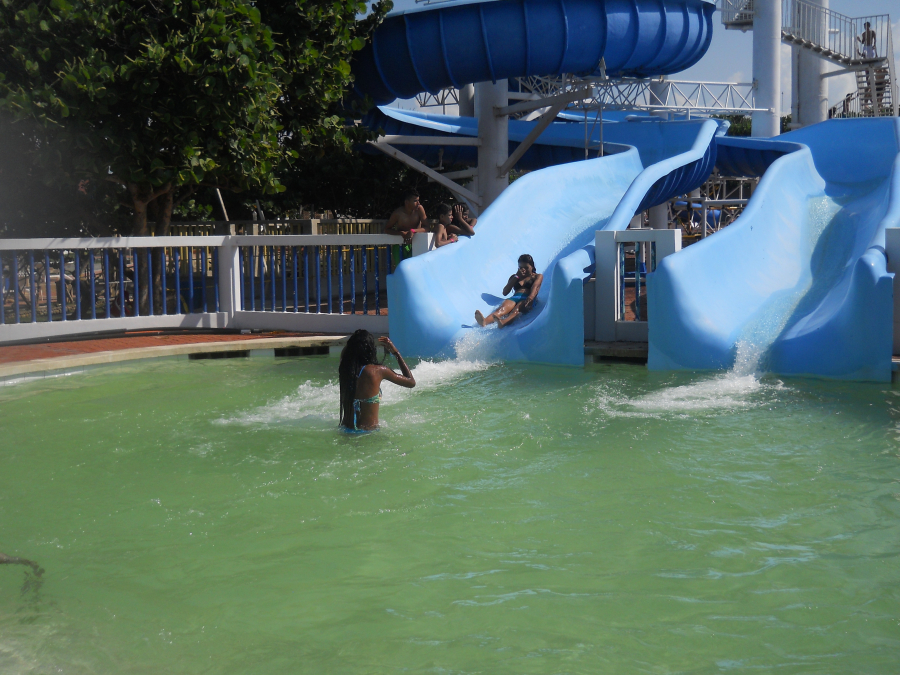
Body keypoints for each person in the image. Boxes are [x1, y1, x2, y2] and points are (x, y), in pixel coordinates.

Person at [339, 330, 415, 431]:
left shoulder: (345, 369)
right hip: (367, 433)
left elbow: (346, 353)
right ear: (371, 350)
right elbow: (411, 382)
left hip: (345, 430)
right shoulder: (377, 371)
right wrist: (396, 353)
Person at [475, 254, 543, 328]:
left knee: (516, 310)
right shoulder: (515, 277)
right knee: (501, 310)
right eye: (521, 267)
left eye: (526, 267)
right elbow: (505, 292)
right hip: (514, 298)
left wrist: (531, 296)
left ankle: (503, 322)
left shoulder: (537, 276)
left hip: (527, 298)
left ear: (532, 266)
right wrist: (516, 276)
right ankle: (485, 321)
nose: (523, 270)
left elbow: (535, 286)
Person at [385, 189, 429, 260]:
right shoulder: (397, 213)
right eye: (415, 201)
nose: (418, 203)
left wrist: (413, 231)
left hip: (415, 243)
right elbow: (387, 229)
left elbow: (427, 227)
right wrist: (401, 233)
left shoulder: (419, 209)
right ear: (407, 202)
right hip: (400, 244)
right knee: (401, 268)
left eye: (418, 200)